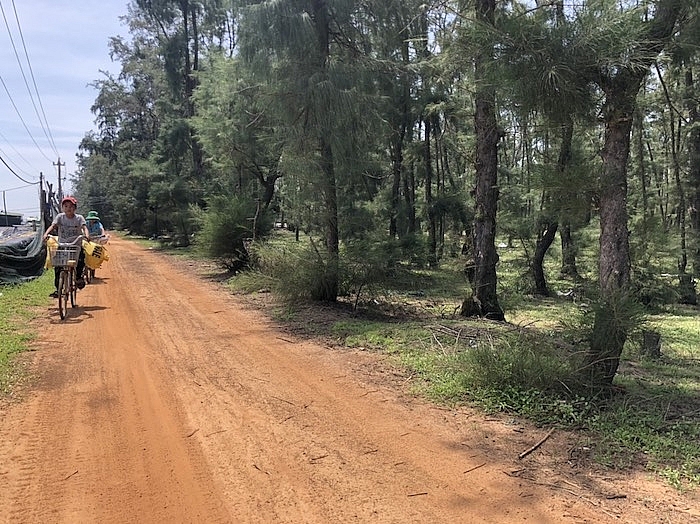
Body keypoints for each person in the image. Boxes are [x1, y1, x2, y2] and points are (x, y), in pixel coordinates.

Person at [42, 195, 90, 297]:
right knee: (58, 266)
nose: (69, 208)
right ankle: (58, 289)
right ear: (63, 208)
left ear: (75, 208)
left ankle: (78, 277)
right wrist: (46, 234)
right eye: (66, 206)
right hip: (62, 245)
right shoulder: (60, 217)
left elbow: (84, 227)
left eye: (71, 206)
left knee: (80, 259)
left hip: (75, 245)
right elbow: (53, 226)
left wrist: (86, 235)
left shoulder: (79, 218)